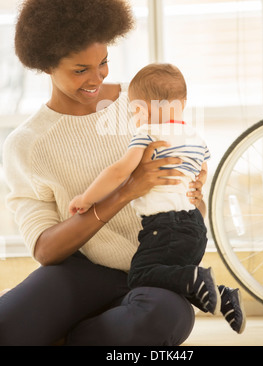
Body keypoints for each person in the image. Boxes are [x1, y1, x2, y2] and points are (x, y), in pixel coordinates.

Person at [0, 0, 207, 346]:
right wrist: (126, 191)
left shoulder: (143, 104)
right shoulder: (27, 144)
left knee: (159, 320)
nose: (96, 79)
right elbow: (46, 249)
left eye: (103, 63)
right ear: (46, 65)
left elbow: (186, 196)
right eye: (80, 70)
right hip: (81, 273)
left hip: (155, 275)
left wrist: (195, 192)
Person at [69, 63, 246, 334]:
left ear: (142, 109)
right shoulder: (195, 136)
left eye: (134, 111)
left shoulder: (148, 133)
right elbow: (201, 174)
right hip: (195, 228)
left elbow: (119, 172)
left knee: (141, 275)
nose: (134, 117)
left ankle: (195, 277)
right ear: (182, 104)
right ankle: (224, 297)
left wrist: (87, 197)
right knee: (170, 280)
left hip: (163, 227)